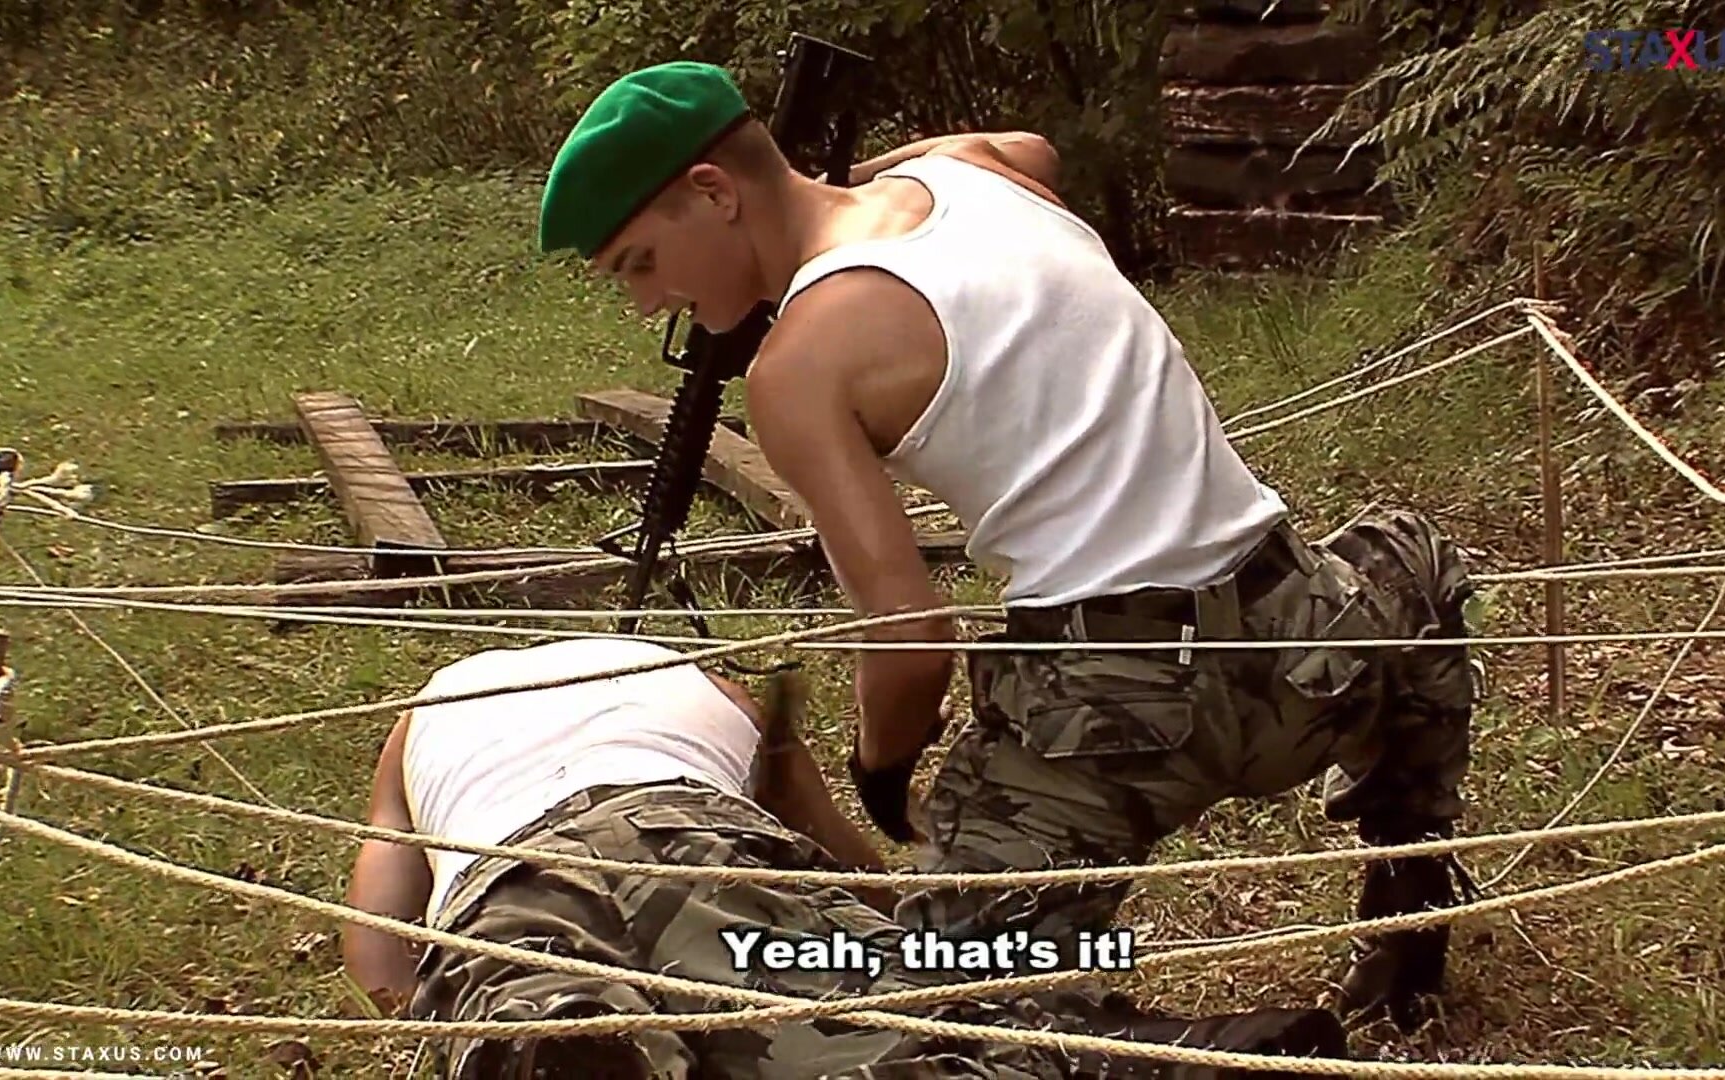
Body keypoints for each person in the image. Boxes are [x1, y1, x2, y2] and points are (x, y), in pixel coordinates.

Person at [534, 61, 1481, 1034]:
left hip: (1113, 716)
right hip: (1309, 645)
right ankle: (1410, 881)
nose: (646, 301)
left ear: (712, 191)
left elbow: (912, 641)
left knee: (945, 995)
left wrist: (879, 767)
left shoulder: (799, 364)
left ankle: (1197, 1051)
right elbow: (1035, 148)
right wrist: (824, 181)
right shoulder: (978, 171)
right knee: (1410, 555)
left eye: (640, 263)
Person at [341, 637, 1351, 1078]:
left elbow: (377, 944)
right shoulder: (708, 686)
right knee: (859, 1008)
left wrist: (417, 1007)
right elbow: (840, 865)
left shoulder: (422, 718)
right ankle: (1102, 1054)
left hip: (510, 874)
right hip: (692, 834)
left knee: (525, 1002)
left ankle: (556, 1022)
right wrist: (909, 942)